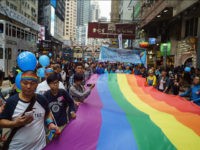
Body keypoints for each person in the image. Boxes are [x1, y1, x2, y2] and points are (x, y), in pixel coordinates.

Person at [0, 71, 59, 150]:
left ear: (37, 84)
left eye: (32, 83)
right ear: (20, 83)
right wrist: (15, 123)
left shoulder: (42, 99)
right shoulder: (11, 102)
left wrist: (50, 124)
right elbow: (1, 122)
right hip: (17, 147)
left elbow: (47, 113)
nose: (28, 86)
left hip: (40, 146)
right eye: (25, 83)